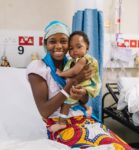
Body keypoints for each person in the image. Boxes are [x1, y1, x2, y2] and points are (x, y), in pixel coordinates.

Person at [27, 20, 132, 149]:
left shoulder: (73, 63)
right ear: (45, 44)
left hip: (83, 119)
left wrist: (82, 92)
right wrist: (73, 81)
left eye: (64, 41)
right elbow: (44, 111)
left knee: (118, 146)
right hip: (57, 122)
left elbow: (85, 98)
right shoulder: (39, 68)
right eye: (52, 41)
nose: (59, 46)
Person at [49, 31, 101, 133]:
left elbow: (74, 71)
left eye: (79, 47)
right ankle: (87, 108)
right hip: (83, 86)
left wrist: (61, 73)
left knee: (66, 102)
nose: (75, 51)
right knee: (75, 97)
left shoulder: (83, 59)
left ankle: (61, 123)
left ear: (87, 47)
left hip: (88, 85)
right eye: (71, 48)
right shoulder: (73, 60)